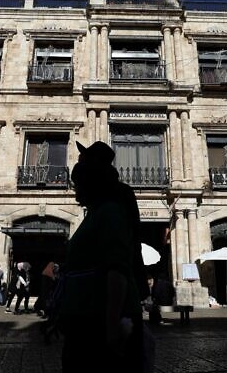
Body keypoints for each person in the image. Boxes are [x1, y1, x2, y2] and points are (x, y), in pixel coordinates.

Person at [60, 141, 144, 373]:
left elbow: (116, 269)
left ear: (91, 182)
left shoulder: (110, 214)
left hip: (97, 324)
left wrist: (112, 325)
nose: (74, 191)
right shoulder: (97, 213)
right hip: (87, 320)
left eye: (77, 184)